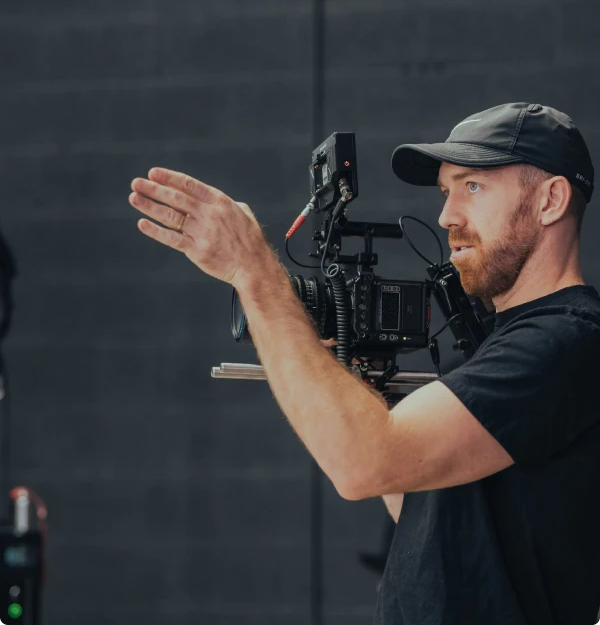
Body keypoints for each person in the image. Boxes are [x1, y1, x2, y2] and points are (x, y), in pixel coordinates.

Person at [128, 102, 600, 625]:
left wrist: (254, 271)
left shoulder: (566, 340)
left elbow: (362, 466)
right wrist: (352, 382)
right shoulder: (505, 345)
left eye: (472, 186)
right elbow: (422, 507)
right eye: (445, 192)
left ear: (550, 200)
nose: (447, 216)